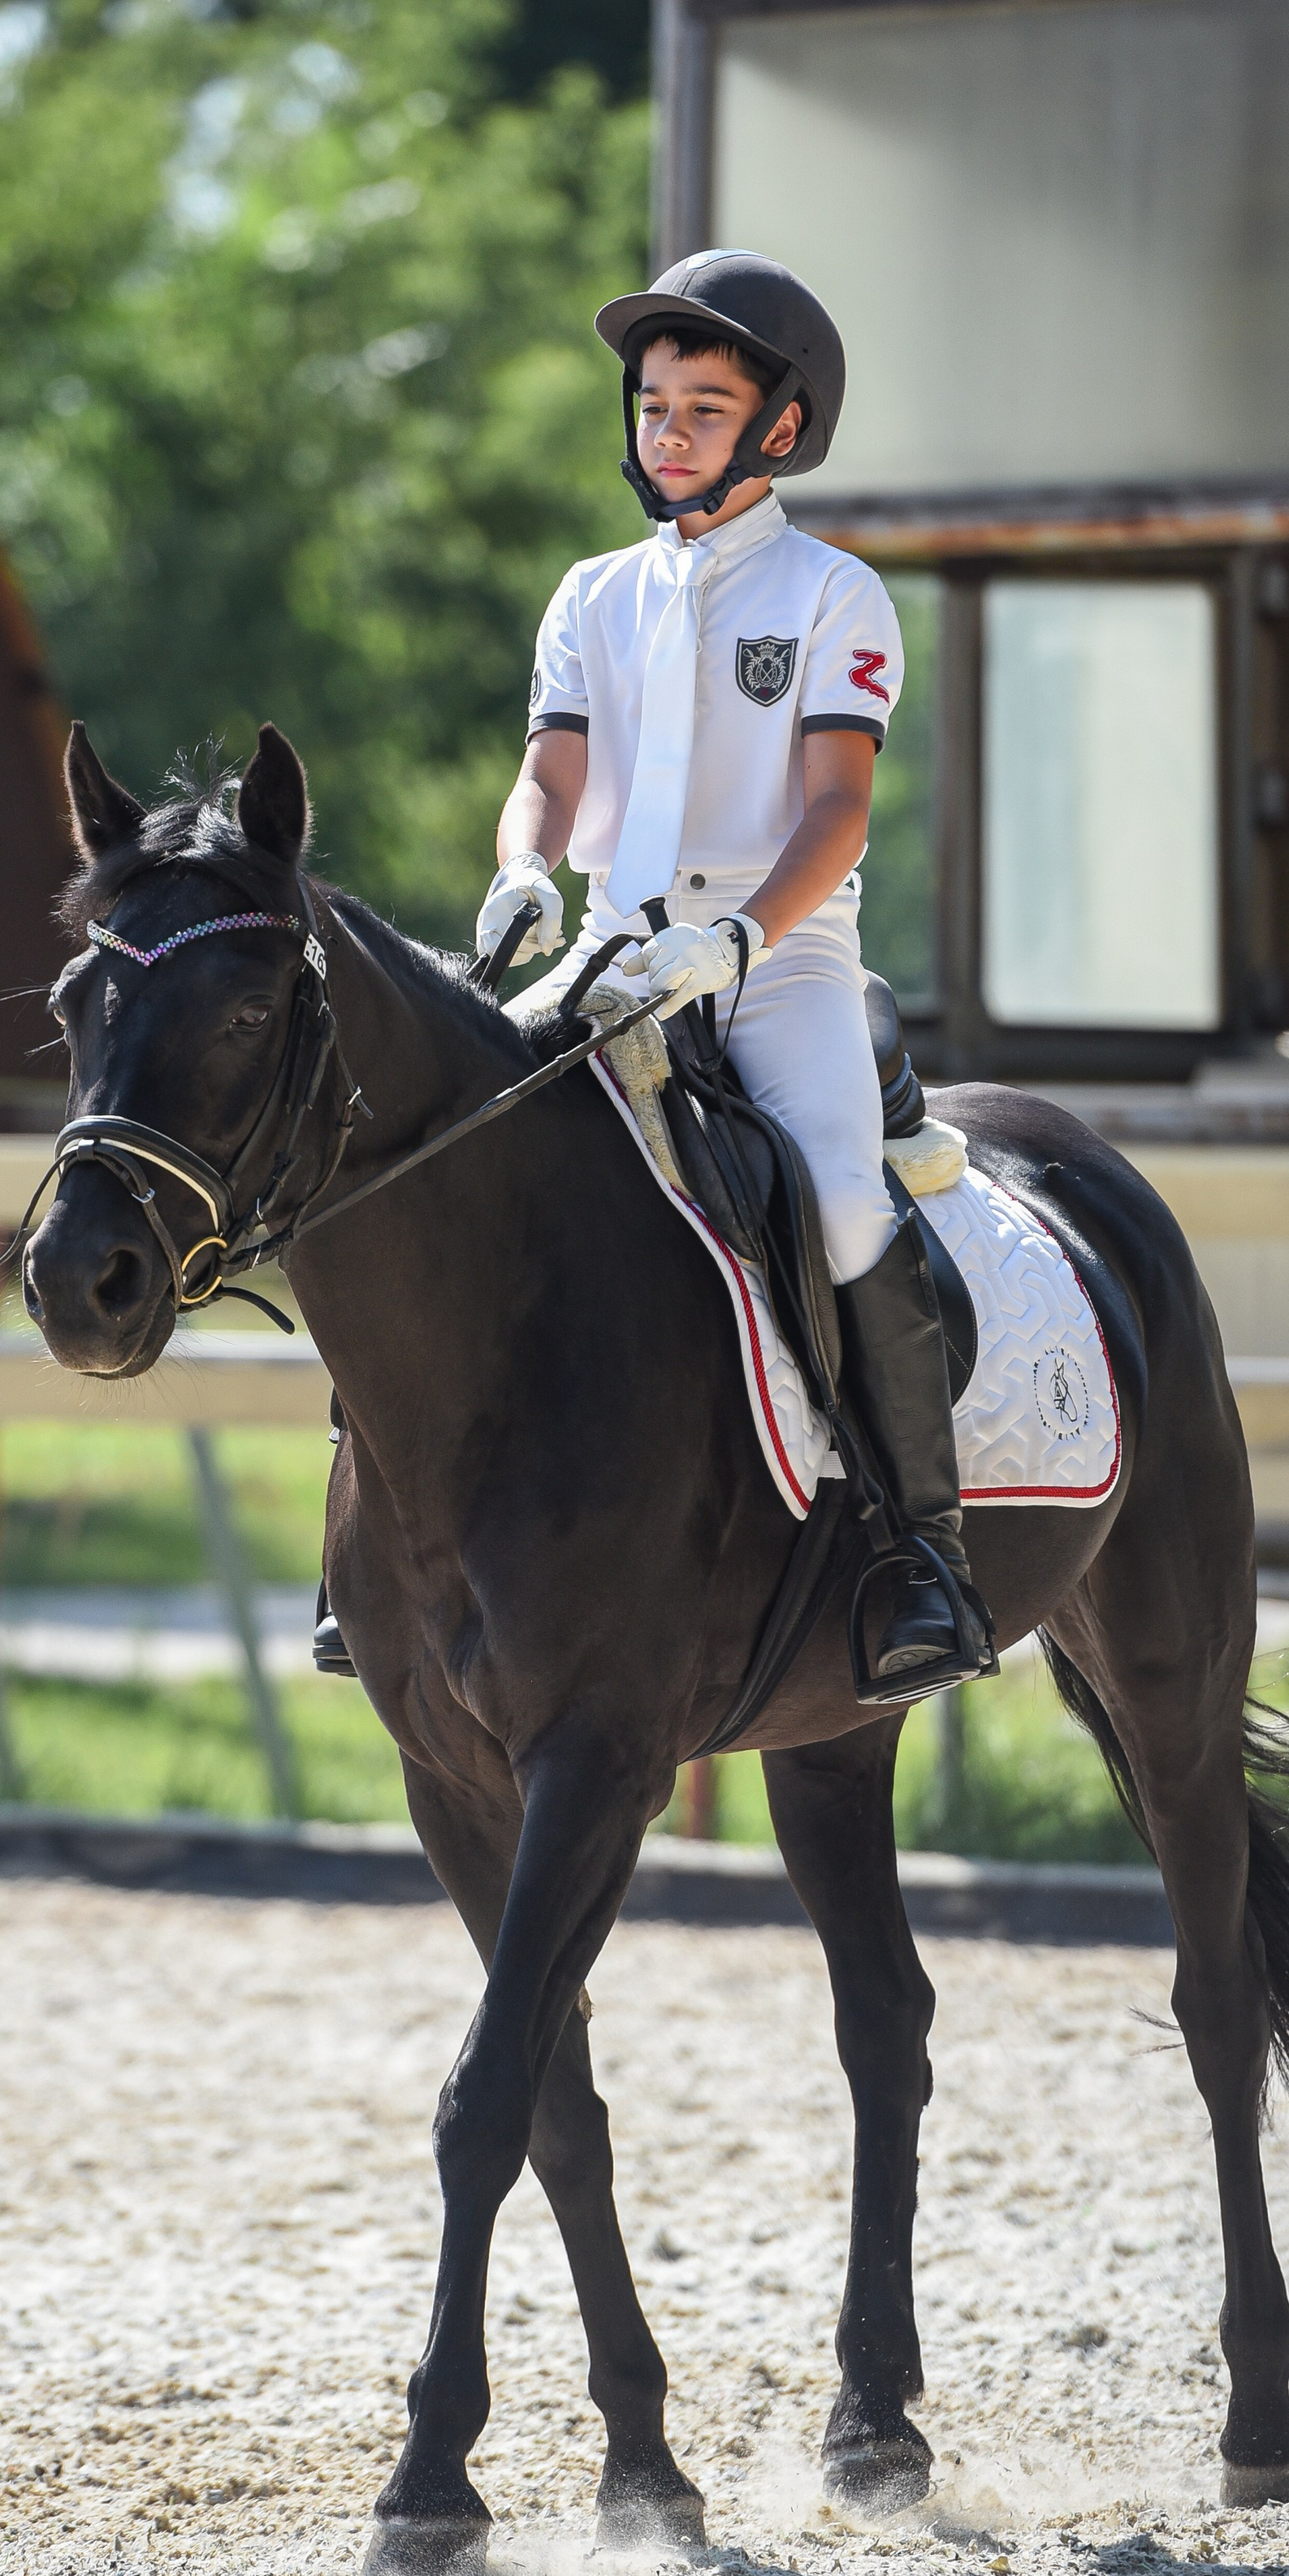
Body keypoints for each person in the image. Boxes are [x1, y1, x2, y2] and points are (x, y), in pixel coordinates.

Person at [314, 248, 986, 1696]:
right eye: (652, 402)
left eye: (702, 404)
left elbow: (836, 813)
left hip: (777, 963)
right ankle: (361, 1542)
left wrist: (740, 936)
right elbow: (548, 773)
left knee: (842, 1195)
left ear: (780, 429)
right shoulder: (592, 593)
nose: (664, 429)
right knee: (422, 1149)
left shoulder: (833, 595)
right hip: (617, 958)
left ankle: (918, 1548)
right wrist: (520, 866)